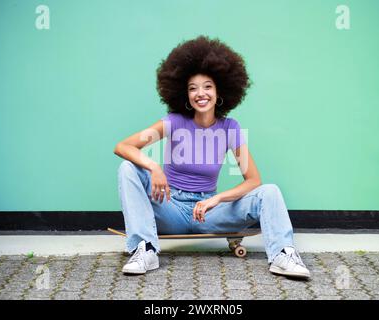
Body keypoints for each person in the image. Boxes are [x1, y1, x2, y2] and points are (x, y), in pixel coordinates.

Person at [114, 35, 310, 279]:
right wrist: (154, 167)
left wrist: (215, 200)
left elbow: (253, 180)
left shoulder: (230, 128)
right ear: (185, 95)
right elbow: (124, 146)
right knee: (128, 168)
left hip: (207, 212)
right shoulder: (172, 122)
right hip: (170, 208)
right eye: (192, 88)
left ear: (219, 92)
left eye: (207, 86)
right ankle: (145, 249)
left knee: (269, 191)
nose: (200, 93)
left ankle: (283, 254)